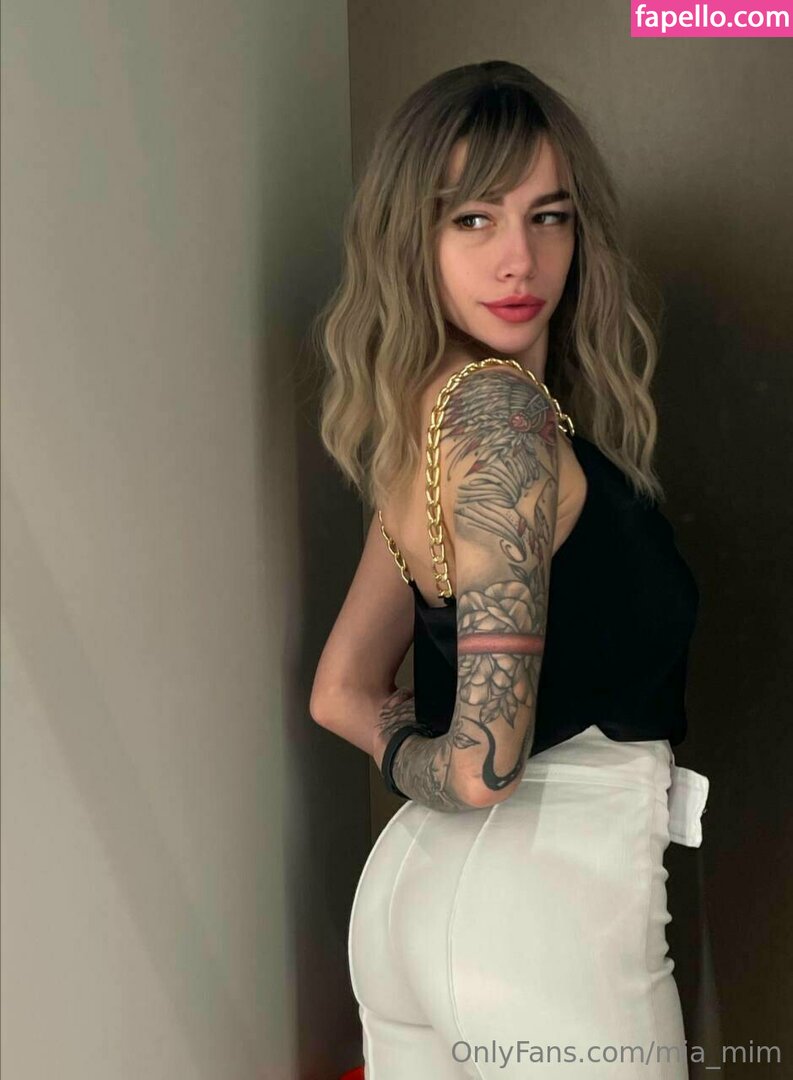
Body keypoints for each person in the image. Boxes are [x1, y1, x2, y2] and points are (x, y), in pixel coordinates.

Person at [310, 60, 710, 1079]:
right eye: (473, 219)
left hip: (412, 900)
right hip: (541, 919)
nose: (518, 257)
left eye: (549, 216)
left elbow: (339, 691)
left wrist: (414, 750)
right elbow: (481, 768)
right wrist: (438, 755)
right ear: (413, 237)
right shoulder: (499, 419)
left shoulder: (431, 422)